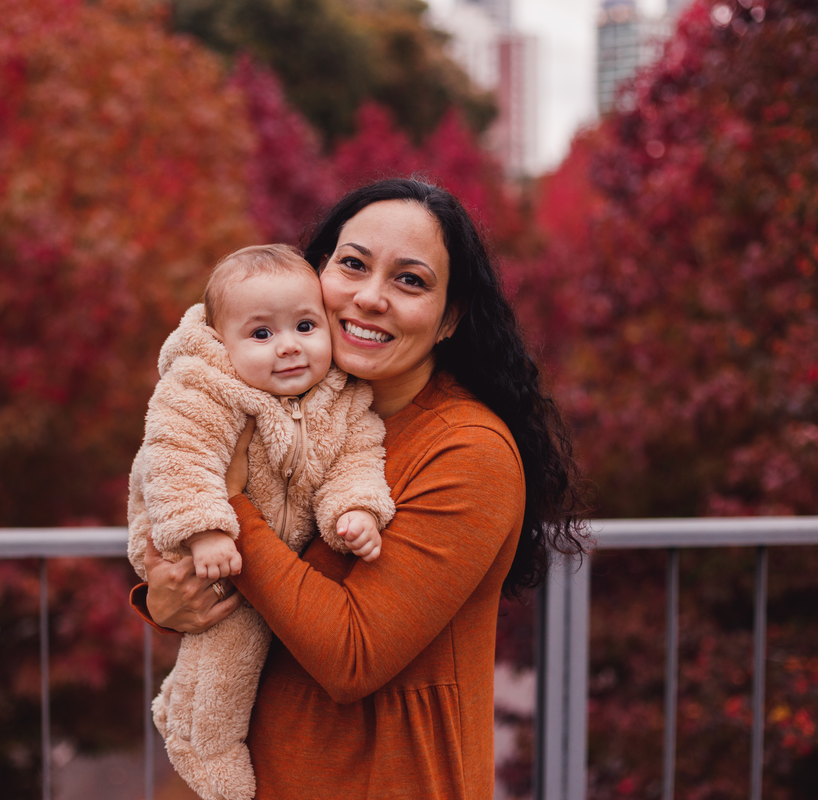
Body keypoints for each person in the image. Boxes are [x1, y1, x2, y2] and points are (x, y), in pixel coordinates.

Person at [133, 178, 589, 799]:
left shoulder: (468, 451)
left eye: (411, 280)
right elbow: (246, 574)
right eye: (352, 265)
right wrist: (167, 600)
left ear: (450, 316)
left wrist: (233, 504)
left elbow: (352, 655)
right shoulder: (287, 410)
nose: (370, 297)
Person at [127, 244, 396, 800]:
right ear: (221, 341)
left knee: (243, 636)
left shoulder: (341, 397)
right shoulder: (205, 385)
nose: (289, 347)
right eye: (261, 334)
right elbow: (179, 454)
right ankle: (206, 749)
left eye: (304, 325)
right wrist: (205, 529)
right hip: (190, 533)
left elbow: (358, 455)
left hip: (266, 547)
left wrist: (356, 509)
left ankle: (188, 715)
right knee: (231, 648)